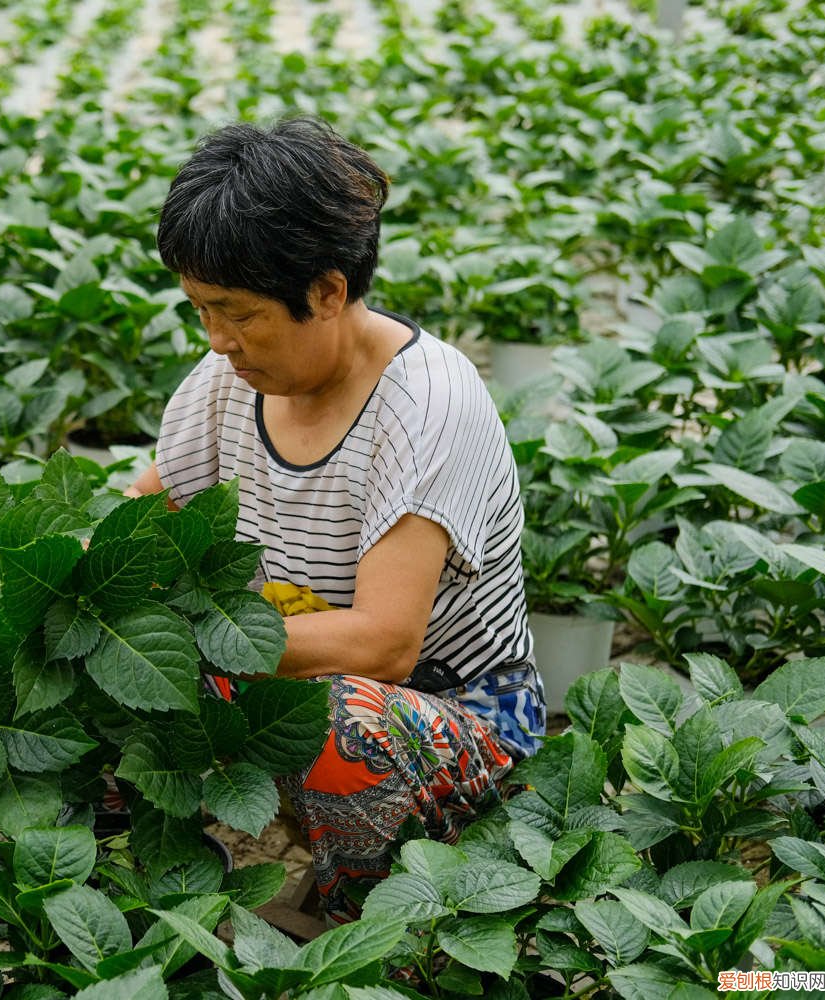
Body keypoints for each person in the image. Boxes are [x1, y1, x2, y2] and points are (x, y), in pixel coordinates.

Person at [123, 117, 547, 923]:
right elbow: (141, 520)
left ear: (327, 290)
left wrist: (185, 637)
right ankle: (153, 891)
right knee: (102, 664)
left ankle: (362, 927)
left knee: (337, 723)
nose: (217, 341)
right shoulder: (227, 382)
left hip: (447, 713)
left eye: (238, 313)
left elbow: (383, 644)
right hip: (281, 674)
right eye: (201, 311)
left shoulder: (427, 403)